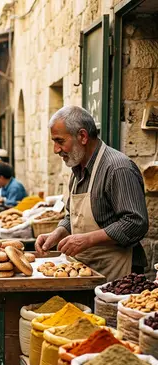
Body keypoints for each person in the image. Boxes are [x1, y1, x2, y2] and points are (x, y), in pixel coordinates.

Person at [36, 105, 149, 282]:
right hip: (88, 270)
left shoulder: (117, 168)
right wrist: (57, 233)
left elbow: (136, 223)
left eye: (59, 141)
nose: (56, 150)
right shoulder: (77, 169)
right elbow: (72, 215)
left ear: (82, 136)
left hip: (119, 274)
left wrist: (87, 240)